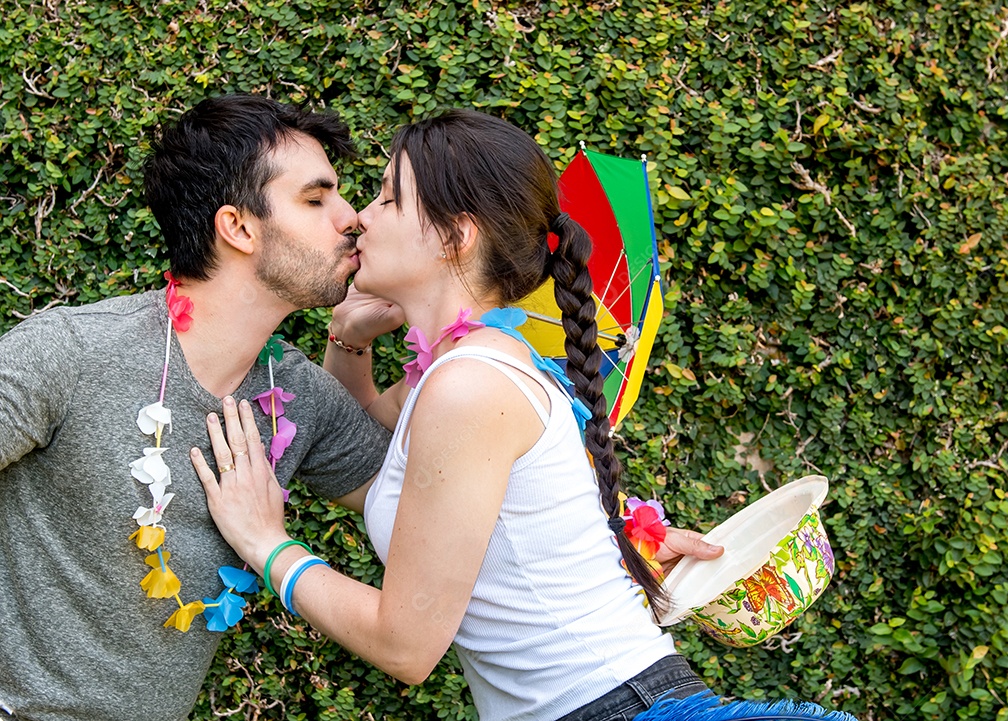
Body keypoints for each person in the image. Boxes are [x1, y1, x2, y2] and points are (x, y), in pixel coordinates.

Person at [191, 109, 749, 721]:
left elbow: (405, 646)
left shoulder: (469, 387)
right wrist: (349, 340)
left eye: (387, 199)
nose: (359, 217)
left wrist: (266, 543)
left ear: (455, 237)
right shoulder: (460, 369)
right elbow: (369, 448)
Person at [0, 94, 401, 721]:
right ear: (237, 227)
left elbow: (418, 502)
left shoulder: (299, 395)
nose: (353, 218)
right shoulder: (70, 353)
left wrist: (451, 334)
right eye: (316, 199)